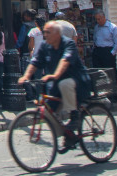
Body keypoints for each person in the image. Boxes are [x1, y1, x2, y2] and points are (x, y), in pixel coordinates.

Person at [18, 19, 93, 154]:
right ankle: (68, 135)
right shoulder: (45, 46)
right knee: (47, 113)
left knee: (65, 83)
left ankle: (74, 115)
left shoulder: (68, 43)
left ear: (57, 33)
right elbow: (35, 62)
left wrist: (55, 75)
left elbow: (65, 60)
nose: (45, 35)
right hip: (57, 86)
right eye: (44, 32)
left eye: (48, 32)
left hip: (78, 83)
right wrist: (26, 76)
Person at [91, 10, 117, 79]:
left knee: (110, 73)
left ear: (103, 17)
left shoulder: (112, 27)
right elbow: (95, 39)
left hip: (108, 51)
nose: (98, 21)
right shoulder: (96, 27)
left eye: (99, 19)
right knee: (98, 73)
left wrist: (112, 53)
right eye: (96, 19)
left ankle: (114, 88)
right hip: (98, 51)